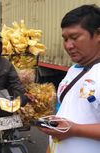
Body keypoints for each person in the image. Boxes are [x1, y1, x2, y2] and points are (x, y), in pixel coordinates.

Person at [39, 4, 100, 153]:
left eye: (74, 37)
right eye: (65, 39)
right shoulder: (74, 70)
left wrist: (75, 130)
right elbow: (64, 116)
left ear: (98, 35)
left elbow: (70, 128)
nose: (68, 45)